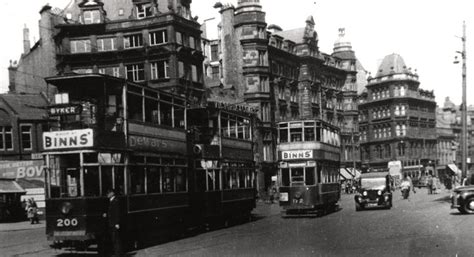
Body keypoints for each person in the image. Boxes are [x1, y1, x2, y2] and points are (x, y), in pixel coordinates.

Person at [106, 188, 122, 257]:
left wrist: (117, 223)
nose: (107, 194)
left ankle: (118, 254)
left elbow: (117, 213)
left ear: (112, 193)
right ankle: (116, 253)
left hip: (114, 224)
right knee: (114, 239)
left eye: (108, 193)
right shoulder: (111, 201)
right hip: (112, 223)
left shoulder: (115, 201)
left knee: (116, 239)